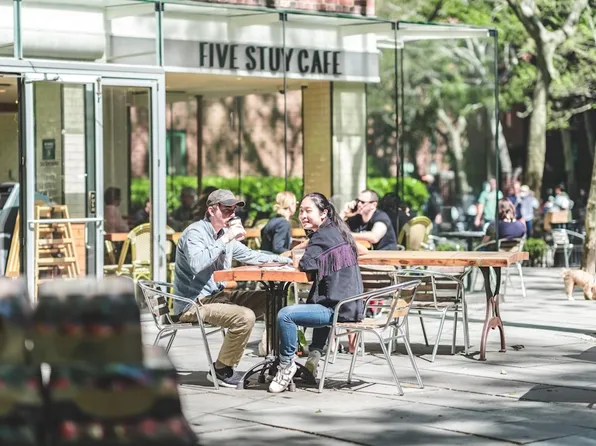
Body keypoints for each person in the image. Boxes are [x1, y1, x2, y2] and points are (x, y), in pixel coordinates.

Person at [173, 189, 292, 388]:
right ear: (211, 210)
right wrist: (227, 238)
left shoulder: (223, 235)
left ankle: (277, 359)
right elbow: (196, 263)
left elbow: (252, 256)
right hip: (193, 304)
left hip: (219, 297)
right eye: (227, 209)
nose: (232, 213)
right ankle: (221, 369)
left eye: (234, 209)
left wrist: (287, 260)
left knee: (273, 298)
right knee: (245, 317)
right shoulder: (195, 233)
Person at [268, 192, 364, 393]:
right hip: (351, 306)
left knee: (285, 315)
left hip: (338, 310)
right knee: (318, 301)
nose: (303, 215)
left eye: (308, 211)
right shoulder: (336, 230)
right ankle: (313, 358)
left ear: (323, 213)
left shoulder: (322, 235)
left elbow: (304, 265)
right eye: (301, 211)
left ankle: (286, 366)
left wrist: (296, 254)